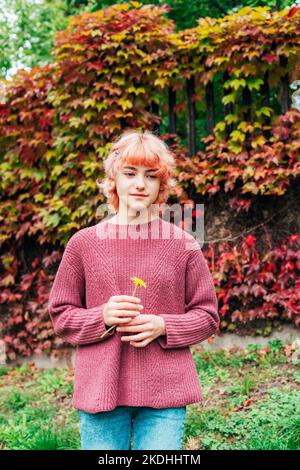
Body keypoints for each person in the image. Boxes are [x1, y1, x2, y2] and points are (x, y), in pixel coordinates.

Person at [48, 129, 220, 450]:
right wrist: (103, 316)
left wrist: (164, 325)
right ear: (114, 179)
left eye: (150, 176)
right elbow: (61, 315)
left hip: (165, 392)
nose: (140, 184)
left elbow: (207, 315)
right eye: (130, 173)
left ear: (160, 185)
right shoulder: (83, 244)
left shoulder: (182, 244)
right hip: (101, 389)